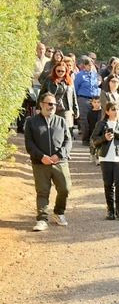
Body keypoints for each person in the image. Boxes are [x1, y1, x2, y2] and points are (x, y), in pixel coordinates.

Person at [24, 92, 72, 231]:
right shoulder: (31, 122)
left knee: (65, 188)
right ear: (41, 104)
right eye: (49, 104)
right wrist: (41, 157)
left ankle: (59, 212)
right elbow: (29, 144)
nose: (52, 106)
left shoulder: (61, 121)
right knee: (43, 191)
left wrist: (60, 155)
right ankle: (42, 219)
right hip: (40, 163)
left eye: (54, 104)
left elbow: (68, 141)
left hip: (59, 162)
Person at [92, 102, 119, 219]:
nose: (116, 112)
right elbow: (94, 141)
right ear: (107, 111)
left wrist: (117, 133)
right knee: (108, 183)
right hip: (105, 157)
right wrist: (104, 138)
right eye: (113, 110)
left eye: (117, 110)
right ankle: (110, 209)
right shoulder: (101, 124)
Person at [40, 61, 78, 133]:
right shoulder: (49, 80)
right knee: (51, 128)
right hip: (51, 106)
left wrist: (76, 109)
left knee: (66, 128)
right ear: (55, 70)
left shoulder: (69, 81)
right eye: (58, 71)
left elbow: (73, 96)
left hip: (65, 108)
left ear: (66, 71)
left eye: (62, 71)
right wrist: (39, 107)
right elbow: (42, 94)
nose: (60, 72)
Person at [75, 56, 101, 144]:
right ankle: (85, 139)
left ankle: (94, 138)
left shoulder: (95, 75)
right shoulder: (79, 75)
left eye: (91, 65)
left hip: (94, 99)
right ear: (84, 66)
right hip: (83, 98)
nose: (90, 67)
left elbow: (97, 86)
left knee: (95, 119)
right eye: (88, 65)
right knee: (84, 119)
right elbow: (75, 88)